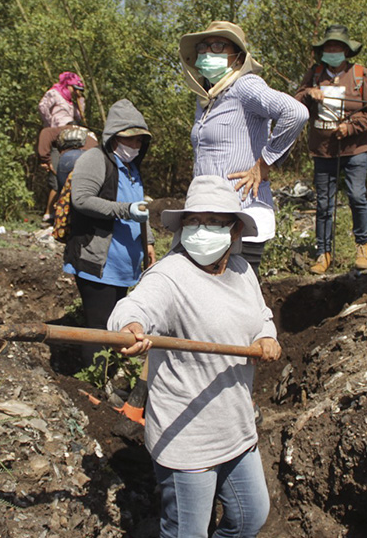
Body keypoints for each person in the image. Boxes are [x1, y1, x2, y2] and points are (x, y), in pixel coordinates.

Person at [108, 175, 282, 538]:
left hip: (236, 425)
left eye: (215, 222)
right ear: (182, 227)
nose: (203, 230)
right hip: (188, 437)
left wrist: (267, 336)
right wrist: (131, 327)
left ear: (234, 231)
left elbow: (261, 316)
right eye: (194, 221)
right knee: (187, 532)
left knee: (250, 516)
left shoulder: (241, 270)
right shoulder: (170, 275)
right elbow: (135, 306)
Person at [178, 21, 308, 275]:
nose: (208, 52)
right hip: (207, 215)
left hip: (240, 213)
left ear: (237, 56)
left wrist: (264, 163)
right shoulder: (207, 98)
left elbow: (295, 112)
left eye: (218, 45)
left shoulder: (245, 86)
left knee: (239, 296)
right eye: (204, 46)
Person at [63, 99, 155, 367]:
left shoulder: (132, 170)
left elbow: (142, 210)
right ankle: (92, 384)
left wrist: (147, 241)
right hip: (98, 261)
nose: (135, 146)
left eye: (139, 141)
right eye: (130, 139)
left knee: (116, 324)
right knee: (99, 329)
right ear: (113, 136)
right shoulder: (95, 159)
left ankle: (108, 374)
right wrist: (125, 210)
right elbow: (81, 199)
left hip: (123, 265)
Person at [293, 25, 367, 274]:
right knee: (324, 204)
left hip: (355, 149)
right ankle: (323, 253)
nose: (333, 51)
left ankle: (362, 247)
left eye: (337, 47)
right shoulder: (315, 73)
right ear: (323, 51)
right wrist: (310, 93)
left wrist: (351, 127)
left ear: (346, 50)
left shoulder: (359, 74)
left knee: (356, 196)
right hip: (323, 151)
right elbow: (294, 104)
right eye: (328, 47)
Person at [39, 72, 86, 220]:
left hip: (70, 138)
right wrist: (50, 124)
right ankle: (48, 214)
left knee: (68, 176)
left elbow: (80, 117)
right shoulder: (54, 93)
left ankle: (63, 214)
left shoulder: (71, 102)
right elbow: (42, 107)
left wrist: (80, 100)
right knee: (55, 175)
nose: (76, 92)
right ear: (69, 85)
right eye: (75, 89)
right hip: (56, 135)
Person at [37, 123, 98, 190]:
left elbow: (46, 132)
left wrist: (46, 160)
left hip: (69, 159)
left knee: (63, 192)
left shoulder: (65, 128)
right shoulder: (91, 135)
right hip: (91, 160)